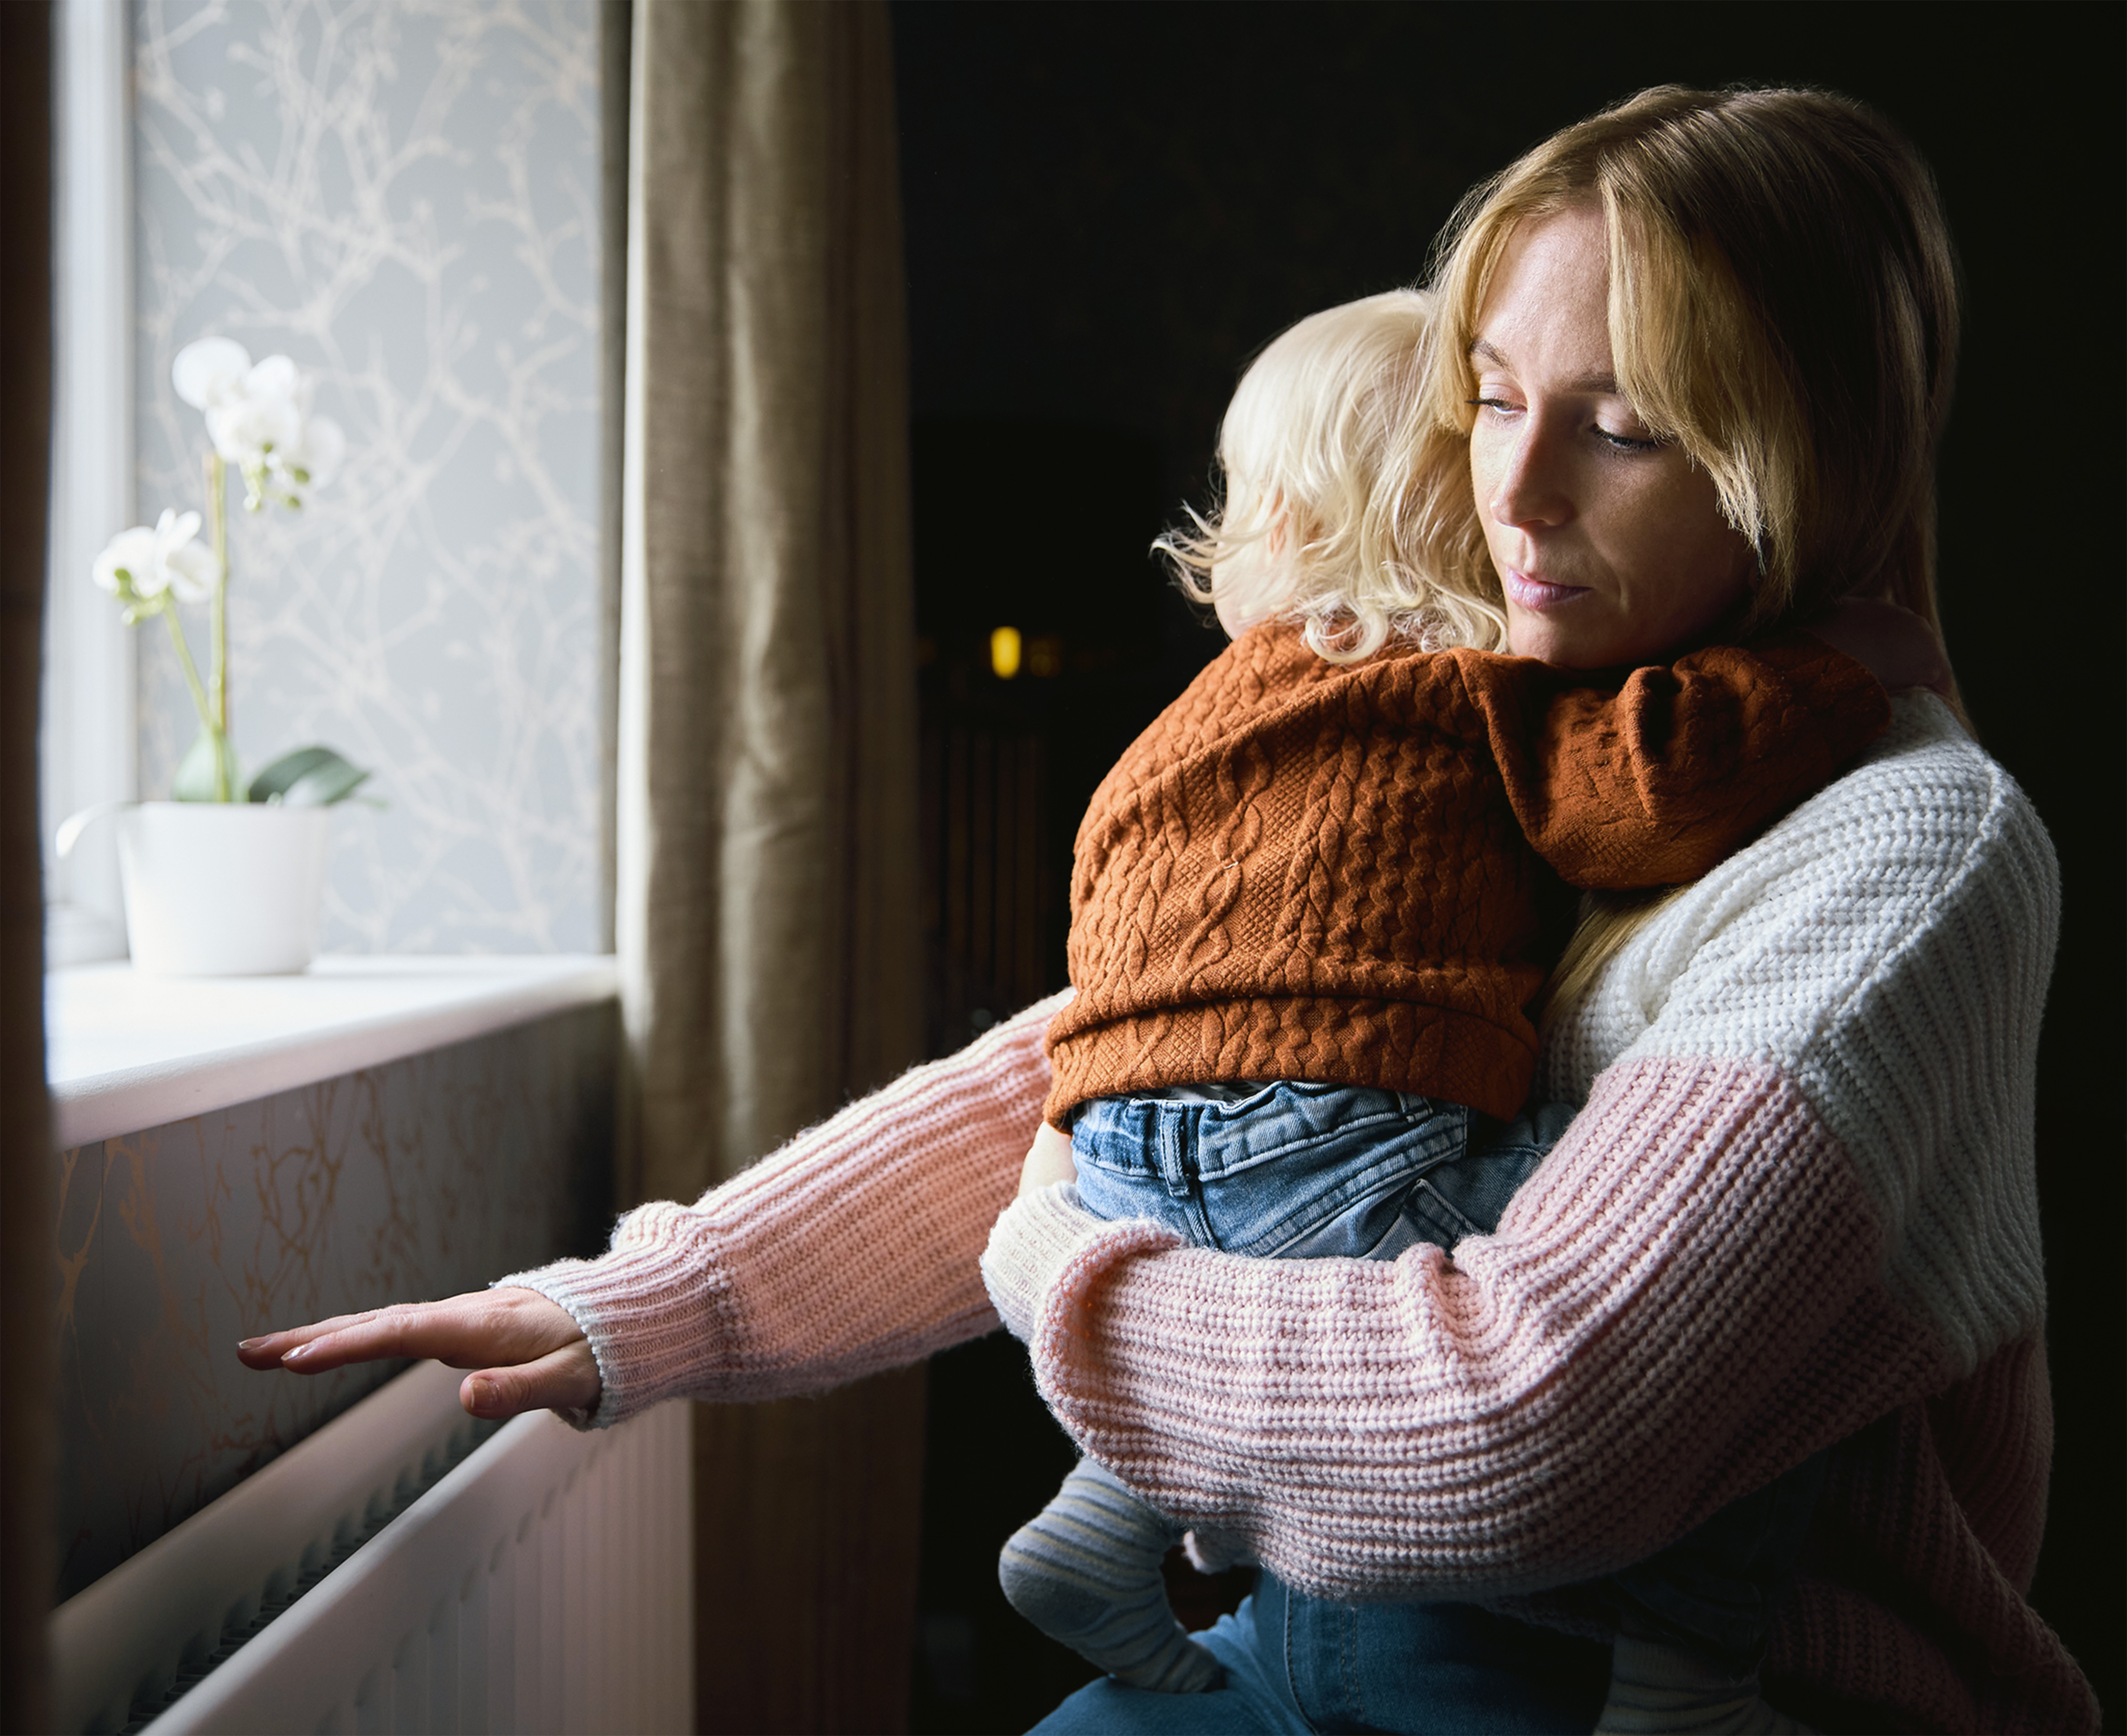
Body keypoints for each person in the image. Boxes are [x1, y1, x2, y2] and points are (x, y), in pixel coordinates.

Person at [239, 86, 2100, 1734]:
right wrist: (638, 1306)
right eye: (1494, 399)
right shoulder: (1512, 731)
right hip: (1320, 1651)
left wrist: (1065, 1277)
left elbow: (1524, 1427)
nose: (1508, 491)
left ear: (1807, 463)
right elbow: (1114, 1070)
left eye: (1623, 428)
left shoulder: (1902, 853)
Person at [989, 283, 1893, 1735]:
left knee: (1248, 1270)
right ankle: (1691, 1665)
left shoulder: (1180, 730)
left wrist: (1073, 1144)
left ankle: (1102, 1525)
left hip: (1108, 1149)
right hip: (1330, 1133)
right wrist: (1838, 673)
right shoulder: (1460, 684)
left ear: (1282, 525)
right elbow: (1648, 795)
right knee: (1738, 1317)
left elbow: (1108, 947)